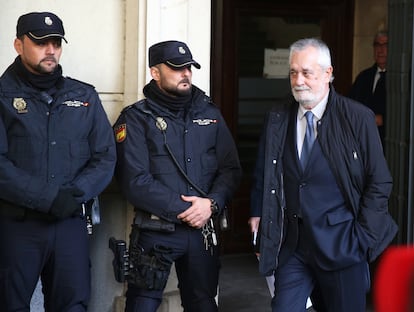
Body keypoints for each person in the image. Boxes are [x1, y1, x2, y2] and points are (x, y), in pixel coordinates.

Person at [248, 38, 398, 312]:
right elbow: (264, 172)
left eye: (307, 72)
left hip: (342, 244)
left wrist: (361, 238)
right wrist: (261, 218)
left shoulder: (357, 118)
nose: (298, 80)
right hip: (291, 245)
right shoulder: (277, 116)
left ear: (328, 74)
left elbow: (379, 182)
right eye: (293, 72)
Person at [113, 40, 242, 312]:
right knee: (141, 305)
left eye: (189, 68)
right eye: (176, 68)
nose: (185, 73)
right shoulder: (136, 118)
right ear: (155, 72)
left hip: (202, 232)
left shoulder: (210, 113)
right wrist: (189, 210)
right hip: (155, 231)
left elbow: (230, 169)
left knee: (203, 304)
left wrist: (211, 204)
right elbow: (134, 181)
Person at [0, 12, 116, 311]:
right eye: (40, 42)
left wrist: (75, 194)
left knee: (72, 304)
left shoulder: (84, 95)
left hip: (69, 223)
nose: (50, 49)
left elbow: (104, 156)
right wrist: (49, 198)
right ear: (18, 44)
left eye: (56, 42)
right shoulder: (2, 96)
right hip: (17, 225)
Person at [349, 31, 388, 145]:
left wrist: (383, 119)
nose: (380, 50)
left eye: (385, 45)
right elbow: (351, 104)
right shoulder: (364, 77)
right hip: (362, 139)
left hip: (387, 142)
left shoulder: (402, 79)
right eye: (377, 45)